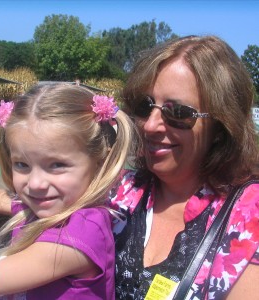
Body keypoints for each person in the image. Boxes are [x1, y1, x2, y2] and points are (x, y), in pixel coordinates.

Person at [110, 35, 259, 299]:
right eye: (145, 106)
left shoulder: (249, 214)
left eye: (178, 112)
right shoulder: (120, 189)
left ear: (220, 126)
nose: (150, 125)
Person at [0, 83, 139, 299]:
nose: (35, 184)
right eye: (22, 165)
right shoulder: (55, 208)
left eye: (56, 165)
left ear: (100, 163)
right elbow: (0, 198)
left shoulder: (80, 235)